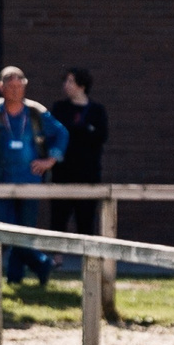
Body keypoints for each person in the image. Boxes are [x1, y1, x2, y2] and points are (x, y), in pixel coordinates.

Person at [0, 66, 68, 285]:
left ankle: (15, 278)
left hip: (30, 181)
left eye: (18, 86)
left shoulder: (35, 112)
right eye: (9, 86)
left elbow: (61, 133)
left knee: (24, 231)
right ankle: (42, 263)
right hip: (0, 180)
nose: (14, 91)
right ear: (1, 87)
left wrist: (50, 160)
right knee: (5, 228)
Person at [47, 68, 111, 237]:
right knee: (58, 218)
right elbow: (54, 134)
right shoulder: (60, 108)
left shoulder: (97, 110)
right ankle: (57, 259)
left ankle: (88, 261)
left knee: (86, 219)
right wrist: (82, 131)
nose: (66, 85)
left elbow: (100, 136)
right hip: (63, 173)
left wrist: (81, 131)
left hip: (88, 174)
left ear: (82, 86)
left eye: (70, 81)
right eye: (65, 81)